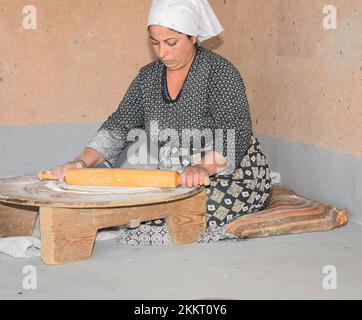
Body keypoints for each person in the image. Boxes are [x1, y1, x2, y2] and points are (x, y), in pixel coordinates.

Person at [48, 0, 272, 245]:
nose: (161, 52)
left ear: (193, 37)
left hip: (230, 175)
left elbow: (236, 132)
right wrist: (81, 162)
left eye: (171, 43)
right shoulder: (148, 77)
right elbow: (120, 124)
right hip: (177, 178)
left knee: (173, 217)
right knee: (137, 208)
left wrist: (202, 169)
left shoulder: (219, 72)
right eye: (154, 43)